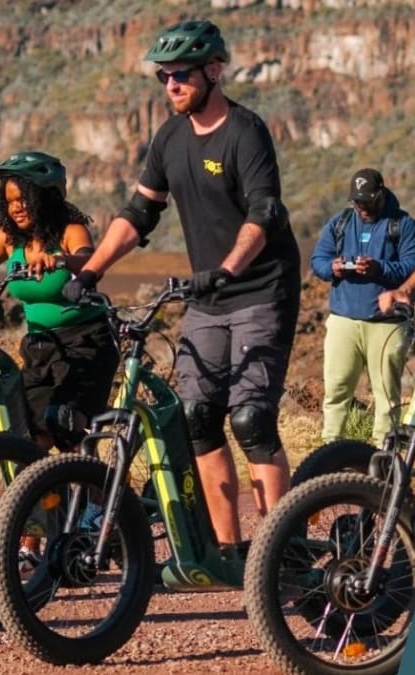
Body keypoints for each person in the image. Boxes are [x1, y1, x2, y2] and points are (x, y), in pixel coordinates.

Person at [63, 19, 301, 556]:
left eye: (180, 75)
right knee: (197, 418)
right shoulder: (170, 138)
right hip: (205, 298)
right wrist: (90, 271)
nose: (170, 85)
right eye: (163, 76)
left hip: (261, 289)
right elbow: (139, 211)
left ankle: (280, 552)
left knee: (251, 419)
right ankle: (229, 554)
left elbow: (265, 211)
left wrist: (231, 266)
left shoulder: (245, 131)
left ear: (213, 71)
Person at [0, 151, 119, 453]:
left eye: (24, 198)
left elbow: (89, 261)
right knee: (33, 436)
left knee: (65, 426)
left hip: (86, 345)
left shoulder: (70, 231)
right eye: (9, 201)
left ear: (46, 196)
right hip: (40, 347)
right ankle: (43, 498)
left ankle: (96, 499)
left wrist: (59, 259)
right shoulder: (9, 239)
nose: (16, 207)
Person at [311, 168, 415, 445]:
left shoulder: (402, 225)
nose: (362, 207)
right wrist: (332, 268)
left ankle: (384, 453)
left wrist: (377, 269)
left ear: (380, 194)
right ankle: (330, 448)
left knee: (385, 394)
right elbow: (318, 259)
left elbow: (409, 268)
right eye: (357, 202)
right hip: (343, 319)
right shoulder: (341, 222)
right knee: (336, 389)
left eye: (367, 201)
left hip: (387, 323)